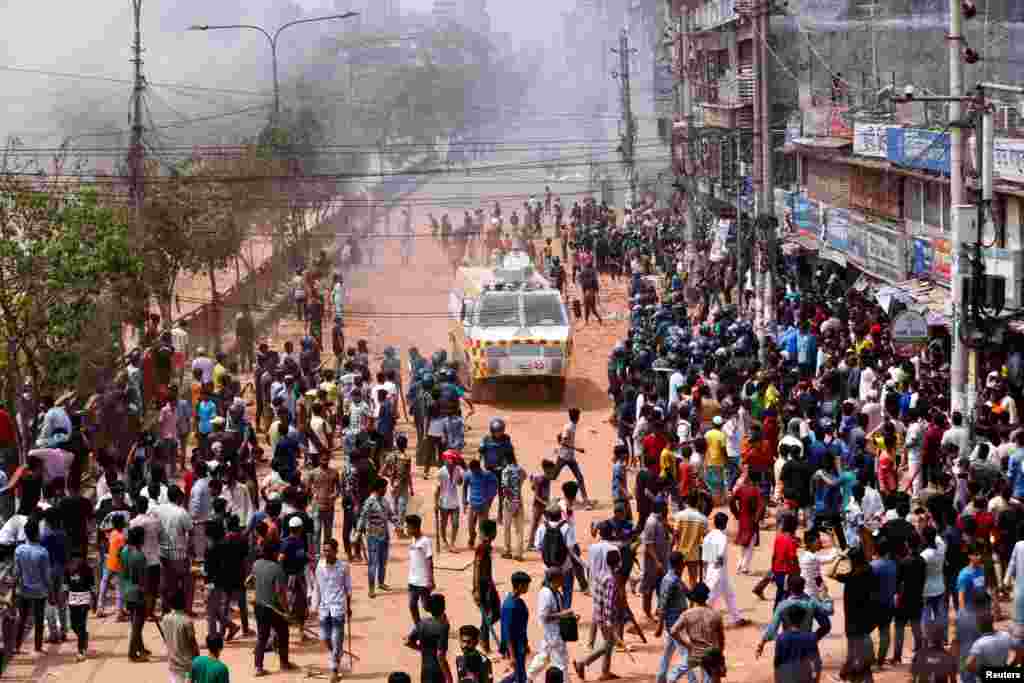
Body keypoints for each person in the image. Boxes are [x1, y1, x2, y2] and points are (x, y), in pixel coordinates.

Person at [829, 546, 879, 682]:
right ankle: (846, 674)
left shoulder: (851, 577)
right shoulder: (869, 571)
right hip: (866, 620)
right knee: (859, 656)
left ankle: (851, 676)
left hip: (852, 622)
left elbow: (829, 572)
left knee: (855, 656)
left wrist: (839, 557)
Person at [573, 548, 623, 681]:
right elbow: (609, 604)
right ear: (618, 563)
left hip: (598, 614)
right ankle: (582, 663)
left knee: (609, 643)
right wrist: (610, 623)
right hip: (606, 617)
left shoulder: (601, 573)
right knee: (607, 645)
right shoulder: (611, 580)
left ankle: (605, 672)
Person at [253, 541, 295, 676]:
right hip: (273, 608)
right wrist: (286, 612)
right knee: (283, 633)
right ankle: (284, 663)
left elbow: (251, 581)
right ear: (274, 553)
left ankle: (258, 667)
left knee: (262, 637)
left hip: (259, 606)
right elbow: (280, 593)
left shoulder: (256, 564)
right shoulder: (277, 569)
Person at [669, 582, 725, 683]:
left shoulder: (687, 614)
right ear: (706, 597)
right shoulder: (715, 615)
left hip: (694, 654)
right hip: (711, 654)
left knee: (675, 674)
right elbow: (721, 640)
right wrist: (720, 656)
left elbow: (673, 631)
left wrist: (686, 644)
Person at [526, 568, 574, 682]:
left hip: (552, 632)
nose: (564, 580)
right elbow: (544, 617)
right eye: (562, 577)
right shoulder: (546, 594)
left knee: (543, 657)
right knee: (561, 662)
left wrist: (568, 617)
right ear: (555, 579)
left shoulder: (555, 592)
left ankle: (528, 677)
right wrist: (563, 614)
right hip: (552, 633)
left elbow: (557, 612)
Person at [314, 538, 352, 683]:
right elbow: (317, 587)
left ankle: (334, 670)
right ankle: (336, 654)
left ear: (335, 551)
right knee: (324, 638)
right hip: (324, 608)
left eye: (328, 550)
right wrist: (314, 606)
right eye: (324, 550)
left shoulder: (343, 566)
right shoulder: (320, 566)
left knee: (336, 640)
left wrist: (348, 607)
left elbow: (348, 589)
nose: (326, 553)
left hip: (338, 608)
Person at [13, 517, 51, 654]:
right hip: (40, 591)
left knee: (21, 619)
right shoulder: (43, 552)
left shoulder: (19, 550)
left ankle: (16, 646)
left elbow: (16, 573)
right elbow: (46, 576)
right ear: (36, 534)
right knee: (39, 619)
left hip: (23, 590)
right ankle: (38, 647)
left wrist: (13, 590)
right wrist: (51, 591)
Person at [703, 511, 746, 626]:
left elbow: (706, 557)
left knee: (729, 594)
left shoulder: (708, 536)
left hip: (712, 570)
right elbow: (720, 555)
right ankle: (702, 621)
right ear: (725, 524)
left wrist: (709, 570)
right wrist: (718, 569)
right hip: (719, 572)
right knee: (711, 599)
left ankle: (736, 618)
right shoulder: (722, 537)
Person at [356, 476, 393, 598]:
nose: (386, 490)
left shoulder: (384, 501)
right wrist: (358, 532)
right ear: (379, 488)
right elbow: (362, 517)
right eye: (384, 488)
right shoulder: (370, 502)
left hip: (384, 534)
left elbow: (391, 515)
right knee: (373, 563)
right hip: (373, 535)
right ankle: (371, 589)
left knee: (383, 561)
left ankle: (381, 583)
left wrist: (398, 525)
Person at [405, 593, 452, 683]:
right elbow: (440, 656)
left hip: (425, 668)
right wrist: (449, 678)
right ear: (443, 608)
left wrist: (423, 649)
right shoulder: (443, 627)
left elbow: (408, 642)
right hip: (437, 670)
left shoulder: (422, 623)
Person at [554, 409, 593, 508]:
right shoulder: (569, 427)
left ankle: (585, 500)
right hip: (563, 456)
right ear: (576, 417)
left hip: (570, 457)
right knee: (553, 476)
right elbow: (563, 442)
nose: (579, 418)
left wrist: (560, 438)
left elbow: (561, 437)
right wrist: (577, 449)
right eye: (578, 416)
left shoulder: (571, 426)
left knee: (580, 477)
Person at [121, 525, 149, 661]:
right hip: (137, 592)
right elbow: (143, 580)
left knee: (135, 622)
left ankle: (140, 647)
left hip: (126, 589)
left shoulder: (124, 551)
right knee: (137, 625)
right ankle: (132, 653)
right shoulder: (140, 556)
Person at [641, 500, 671, 622]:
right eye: (665, 507)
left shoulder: (660, 520)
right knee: (648, 589)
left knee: (662, 587)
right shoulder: (651, 522)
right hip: (652, 564)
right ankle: (647, 613)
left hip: (663, 561)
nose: (667, 510)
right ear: (661, 508)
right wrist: (657, 561)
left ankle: (660, 611)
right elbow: (648, 545)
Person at [473, 520, 500, 654]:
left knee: (493, 613)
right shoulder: (482, 548)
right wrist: (477, 590)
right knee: (490, 614)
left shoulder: (487, 547)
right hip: (483, 586)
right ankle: (484, 641)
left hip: (488, 584)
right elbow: (477, 568)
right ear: (492, 533)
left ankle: (482, 637)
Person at [499, 571, 531, 683]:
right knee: (520, 676)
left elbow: (522, 626)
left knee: (520, 674)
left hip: (520, 644)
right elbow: (507, 632)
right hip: (514, 647)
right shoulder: (510, 606)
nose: (528, 588)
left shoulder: (519, 601)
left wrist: (526, 643)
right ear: (520, 586)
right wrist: (512, 655)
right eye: (527, 585)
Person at [163, 590, 200, 683]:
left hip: (172, 664)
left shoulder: (165, 619)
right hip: (186, 667)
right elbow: (193, 643)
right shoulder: (187, 621)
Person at [406, 514, 436, 625]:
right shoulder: (413, 540)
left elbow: (429, 561)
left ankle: (440, 616)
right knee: (412, 605)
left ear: (415, 527)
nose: (407, 529)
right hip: (412, 580)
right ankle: (418, 627)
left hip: (423, 581)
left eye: (408, 527)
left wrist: (430, 580)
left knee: (426, 606)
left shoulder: (425, 541)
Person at [65, 552, 94, 661]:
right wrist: (65, 596)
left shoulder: (87, 568)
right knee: (73, 625)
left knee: (81, 624)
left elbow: (92, 585)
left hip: (84, 597)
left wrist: (93, 599)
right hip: (73, 598)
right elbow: (65, 584)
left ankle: (81, 651)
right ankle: (83, 638)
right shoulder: (68, 568)